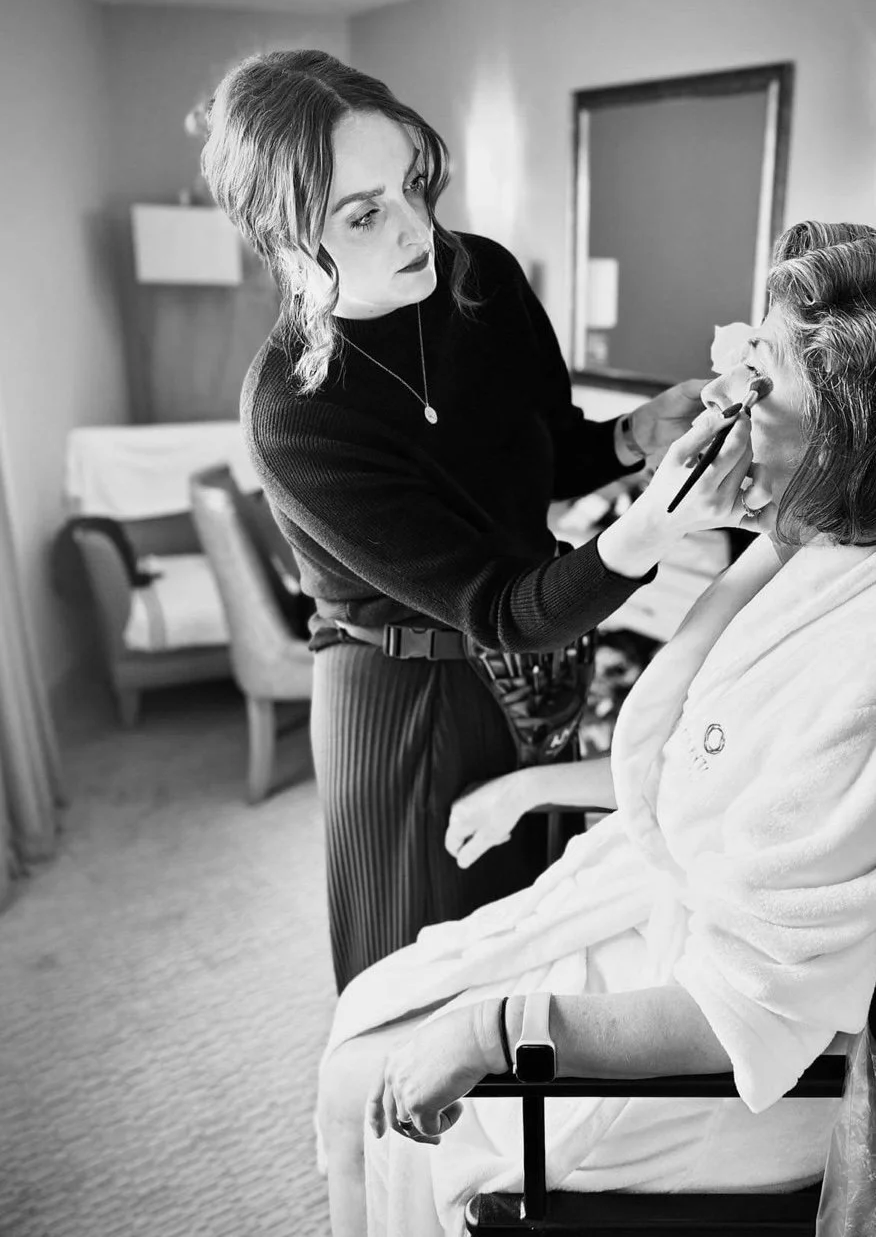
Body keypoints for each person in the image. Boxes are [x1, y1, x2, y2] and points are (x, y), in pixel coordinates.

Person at [317, 221, 876, 1237]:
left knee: (370, 1088)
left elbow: (751, 1001)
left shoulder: (859, 659)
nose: (720, 409)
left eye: (756, 389)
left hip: (726, 1058)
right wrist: (536, 786)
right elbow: (715, 762)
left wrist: (495, 1029)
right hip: (657, 910)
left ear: (844, 436)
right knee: (369, 1009)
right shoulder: (806, 552)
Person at [199, 49, 761, 993]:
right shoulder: (293, 413)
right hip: (405, 691)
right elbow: (496, 604)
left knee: (538, 928)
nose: (418, 225)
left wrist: (634, 434)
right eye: (365, 212)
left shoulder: (482, 281)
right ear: (286, 236)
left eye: (416, 182)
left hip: (543, 651)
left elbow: (543, 454)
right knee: (422, 964)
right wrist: (656, 528)